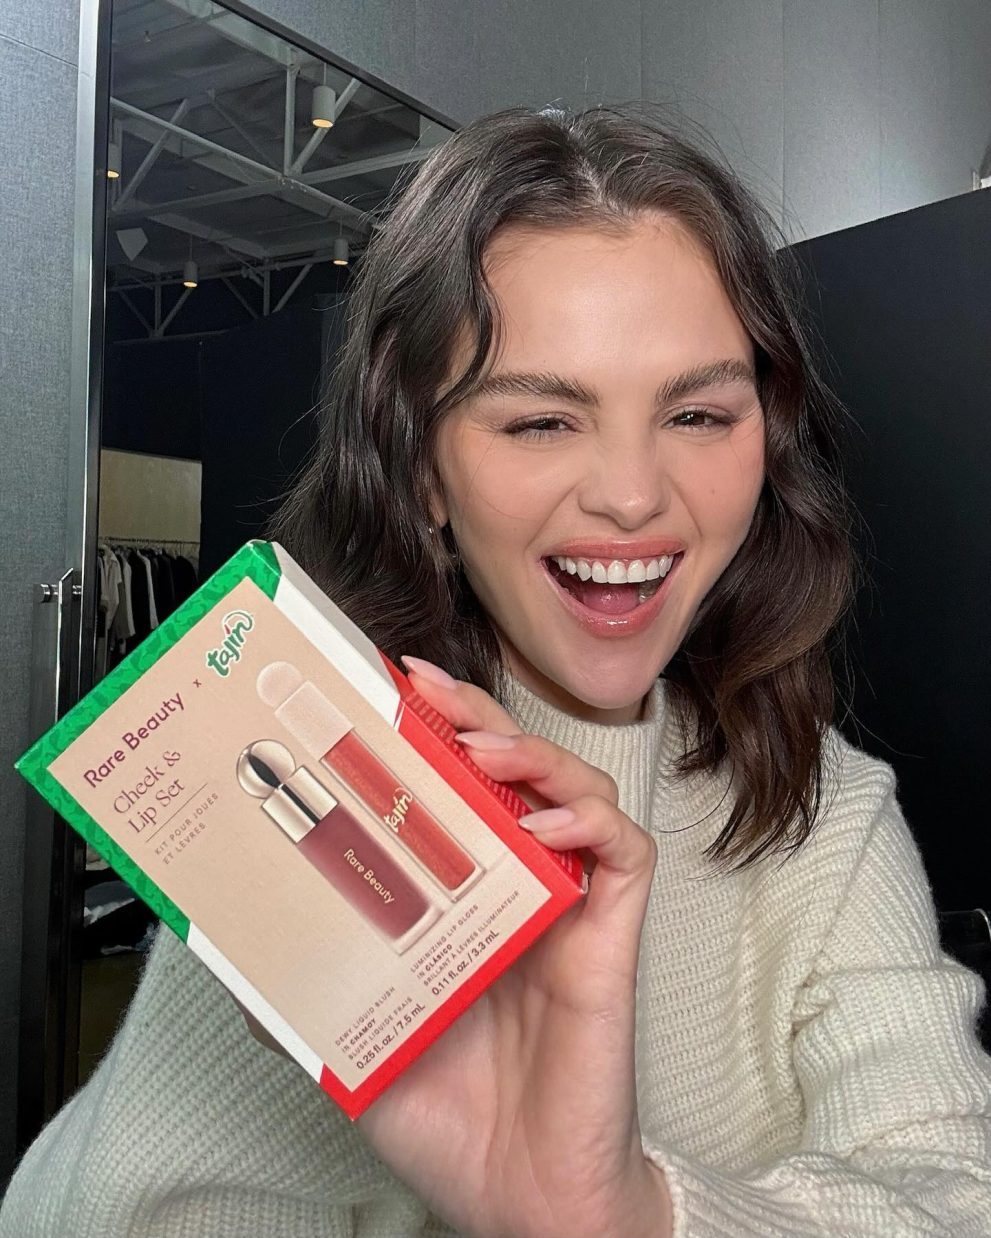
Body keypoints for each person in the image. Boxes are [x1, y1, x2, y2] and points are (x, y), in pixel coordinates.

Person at [3, 104, 990, 1238]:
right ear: (421, 470)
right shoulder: (322, 794)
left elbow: (956, 1192)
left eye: (697, 412)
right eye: (540, 423)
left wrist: (625, 1218)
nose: (632, 494)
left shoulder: (825, 811)